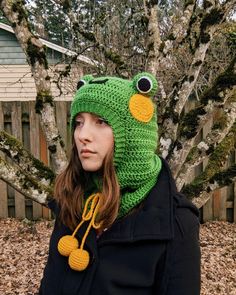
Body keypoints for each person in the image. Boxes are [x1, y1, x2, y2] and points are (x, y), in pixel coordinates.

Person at [39, 72, 201, 295]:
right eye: (78, 123)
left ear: (133, 135)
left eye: (101, 122)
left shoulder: (177, 223)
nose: (82, 135)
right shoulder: (73, 201)